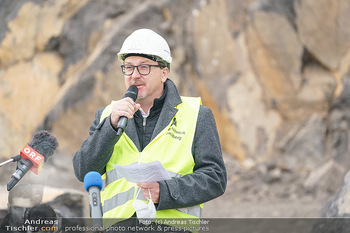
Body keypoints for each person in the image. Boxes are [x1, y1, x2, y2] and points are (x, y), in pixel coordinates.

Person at [73, 28, 227, 231]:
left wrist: (165, 191)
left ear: (164, 72)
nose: (134, 75)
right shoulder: (108, 116)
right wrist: (109, 128)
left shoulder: (197, 114)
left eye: (144, 67)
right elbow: (83, 170)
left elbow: (215, 177)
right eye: (128, 68)